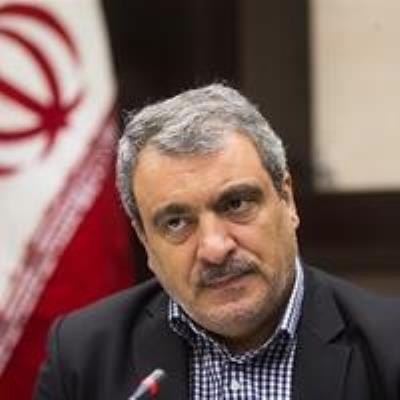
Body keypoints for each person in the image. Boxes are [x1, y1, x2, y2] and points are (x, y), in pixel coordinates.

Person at [34, 84, 400, 400]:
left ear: (286, 200)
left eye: (236, 204)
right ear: (145, 240)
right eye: (176, 222)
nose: (214, 248)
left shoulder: (390, 347)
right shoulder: (83, 356)